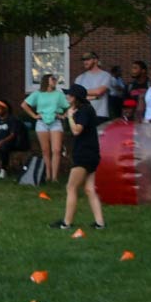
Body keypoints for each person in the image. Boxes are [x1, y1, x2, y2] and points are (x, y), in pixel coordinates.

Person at [52, 85, 105, 234]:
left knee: (71, 187)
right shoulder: (86, 110)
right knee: (89, 189)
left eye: (69, 95)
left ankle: (66, 223)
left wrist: (69, 116)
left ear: (76, 98)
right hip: (93, 154)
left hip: (84, 155)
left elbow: (76, 130)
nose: (67, 97)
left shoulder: (82, 111)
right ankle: (100, 223)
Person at [21, 75, 69, 183]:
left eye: (55, 79)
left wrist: (63, 115)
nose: (55, 81)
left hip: (55, 123)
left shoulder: (59, 95)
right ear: (46, 81)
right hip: (41, 123)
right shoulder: (38, 94)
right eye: (53, 79)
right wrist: (34, 116)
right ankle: (47, 174)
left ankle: (55, 177)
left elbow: (69, 106)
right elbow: (24, 105)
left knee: (56, 150)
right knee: (45, 151)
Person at [0, 100, 29, 178]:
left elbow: (12, 135)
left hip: (9, 142)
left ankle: (4, 169)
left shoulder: (12, 119)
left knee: (4, 147)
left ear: (5, 109)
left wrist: (2, 142)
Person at [73, 52, 116, 118]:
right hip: (83, 115)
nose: (85, 62)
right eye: (84, 60)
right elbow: (76, 96)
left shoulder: (106, 76)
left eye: (88, 59)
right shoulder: (79, 78)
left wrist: (82, 93)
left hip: (100, 115)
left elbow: (99, 92)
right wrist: (94, 96)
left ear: (95, 60)